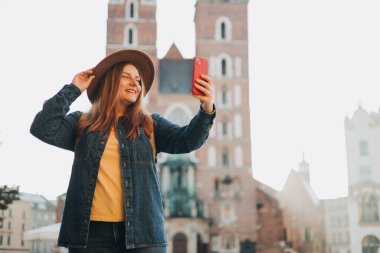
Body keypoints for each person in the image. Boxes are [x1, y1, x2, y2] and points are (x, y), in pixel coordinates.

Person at [30, 49, 215, 253]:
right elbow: (42, 127)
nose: (135, 83)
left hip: (143, 234)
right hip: (90, 235)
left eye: (137, 79)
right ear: (109, 83)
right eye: (126, 77)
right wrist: (73, 89)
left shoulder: (150, 125)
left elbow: (188, 140)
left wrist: (206, 108)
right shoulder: (83, 123)